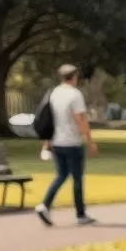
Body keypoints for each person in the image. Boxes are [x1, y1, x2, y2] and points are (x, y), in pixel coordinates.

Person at [35, 64, 98, 227]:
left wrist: (47, 143)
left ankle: (44, 205)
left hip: (57, 142)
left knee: (61, 175)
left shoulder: (54, 93)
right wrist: (89, 141)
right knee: (77, 179)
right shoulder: (75, 95)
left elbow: (49, 119)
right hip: (72, 142)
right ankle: (80, 214)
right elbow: (80, 120)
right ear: (75, 76)